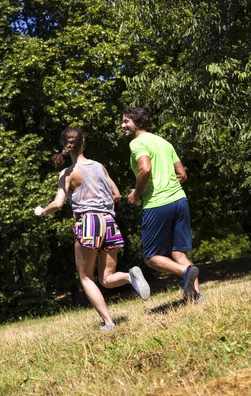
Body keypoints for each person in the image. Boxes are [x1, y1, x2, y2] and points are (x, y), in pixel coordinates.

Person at [35, 127, 150, 331]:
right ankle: (130, 275)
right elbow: (116, 194)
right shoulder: (99, 166)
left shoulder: (67, 173)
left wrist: (42, 211)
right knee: (106, 278)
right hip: (108, 221)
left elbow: (58, 203)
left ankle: (108, 322)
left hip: (88, 222)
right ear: (84, 143)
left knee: (86, 277)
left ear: (65, 145)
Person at [121, 107, 201, 301]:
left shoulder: (137, 143)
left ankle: (185, 271)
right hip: (180, 200)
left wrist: (136, 194)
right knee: (178, 253)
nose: (122, 125)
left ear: (137, 122)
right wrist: (169, 185)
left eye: (126, 121)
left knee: (151, 257)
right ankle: (196, 297)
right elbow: (182, 175)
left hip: (158, 204)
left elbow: (145, 169)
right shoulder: (164, 142)